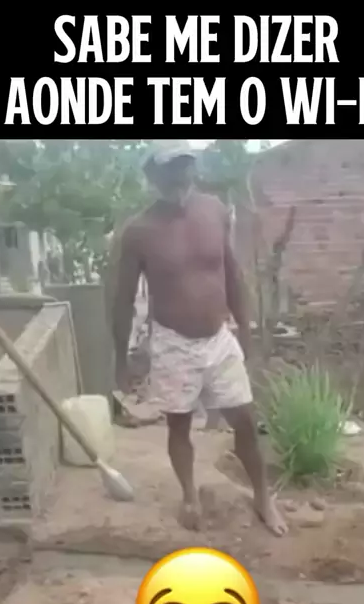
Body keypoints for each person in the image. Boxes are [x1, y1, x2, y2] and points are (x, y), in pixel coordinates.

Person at [107, 140, 288, 537]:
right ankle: (190, 495)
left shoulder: (215, 210)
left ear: (193, 167)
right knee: (179, 425)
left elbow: (232, 273)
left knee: (245, 420)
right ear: (153, 174)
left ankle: (262, 496)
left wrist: (246, 330)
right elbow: (123, 299)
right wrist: (121, 359)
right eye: (170, 167)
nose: (180, 175)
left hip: (219, 338)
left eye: (185, 164)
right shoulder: (139, 232)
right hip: (173, 342)